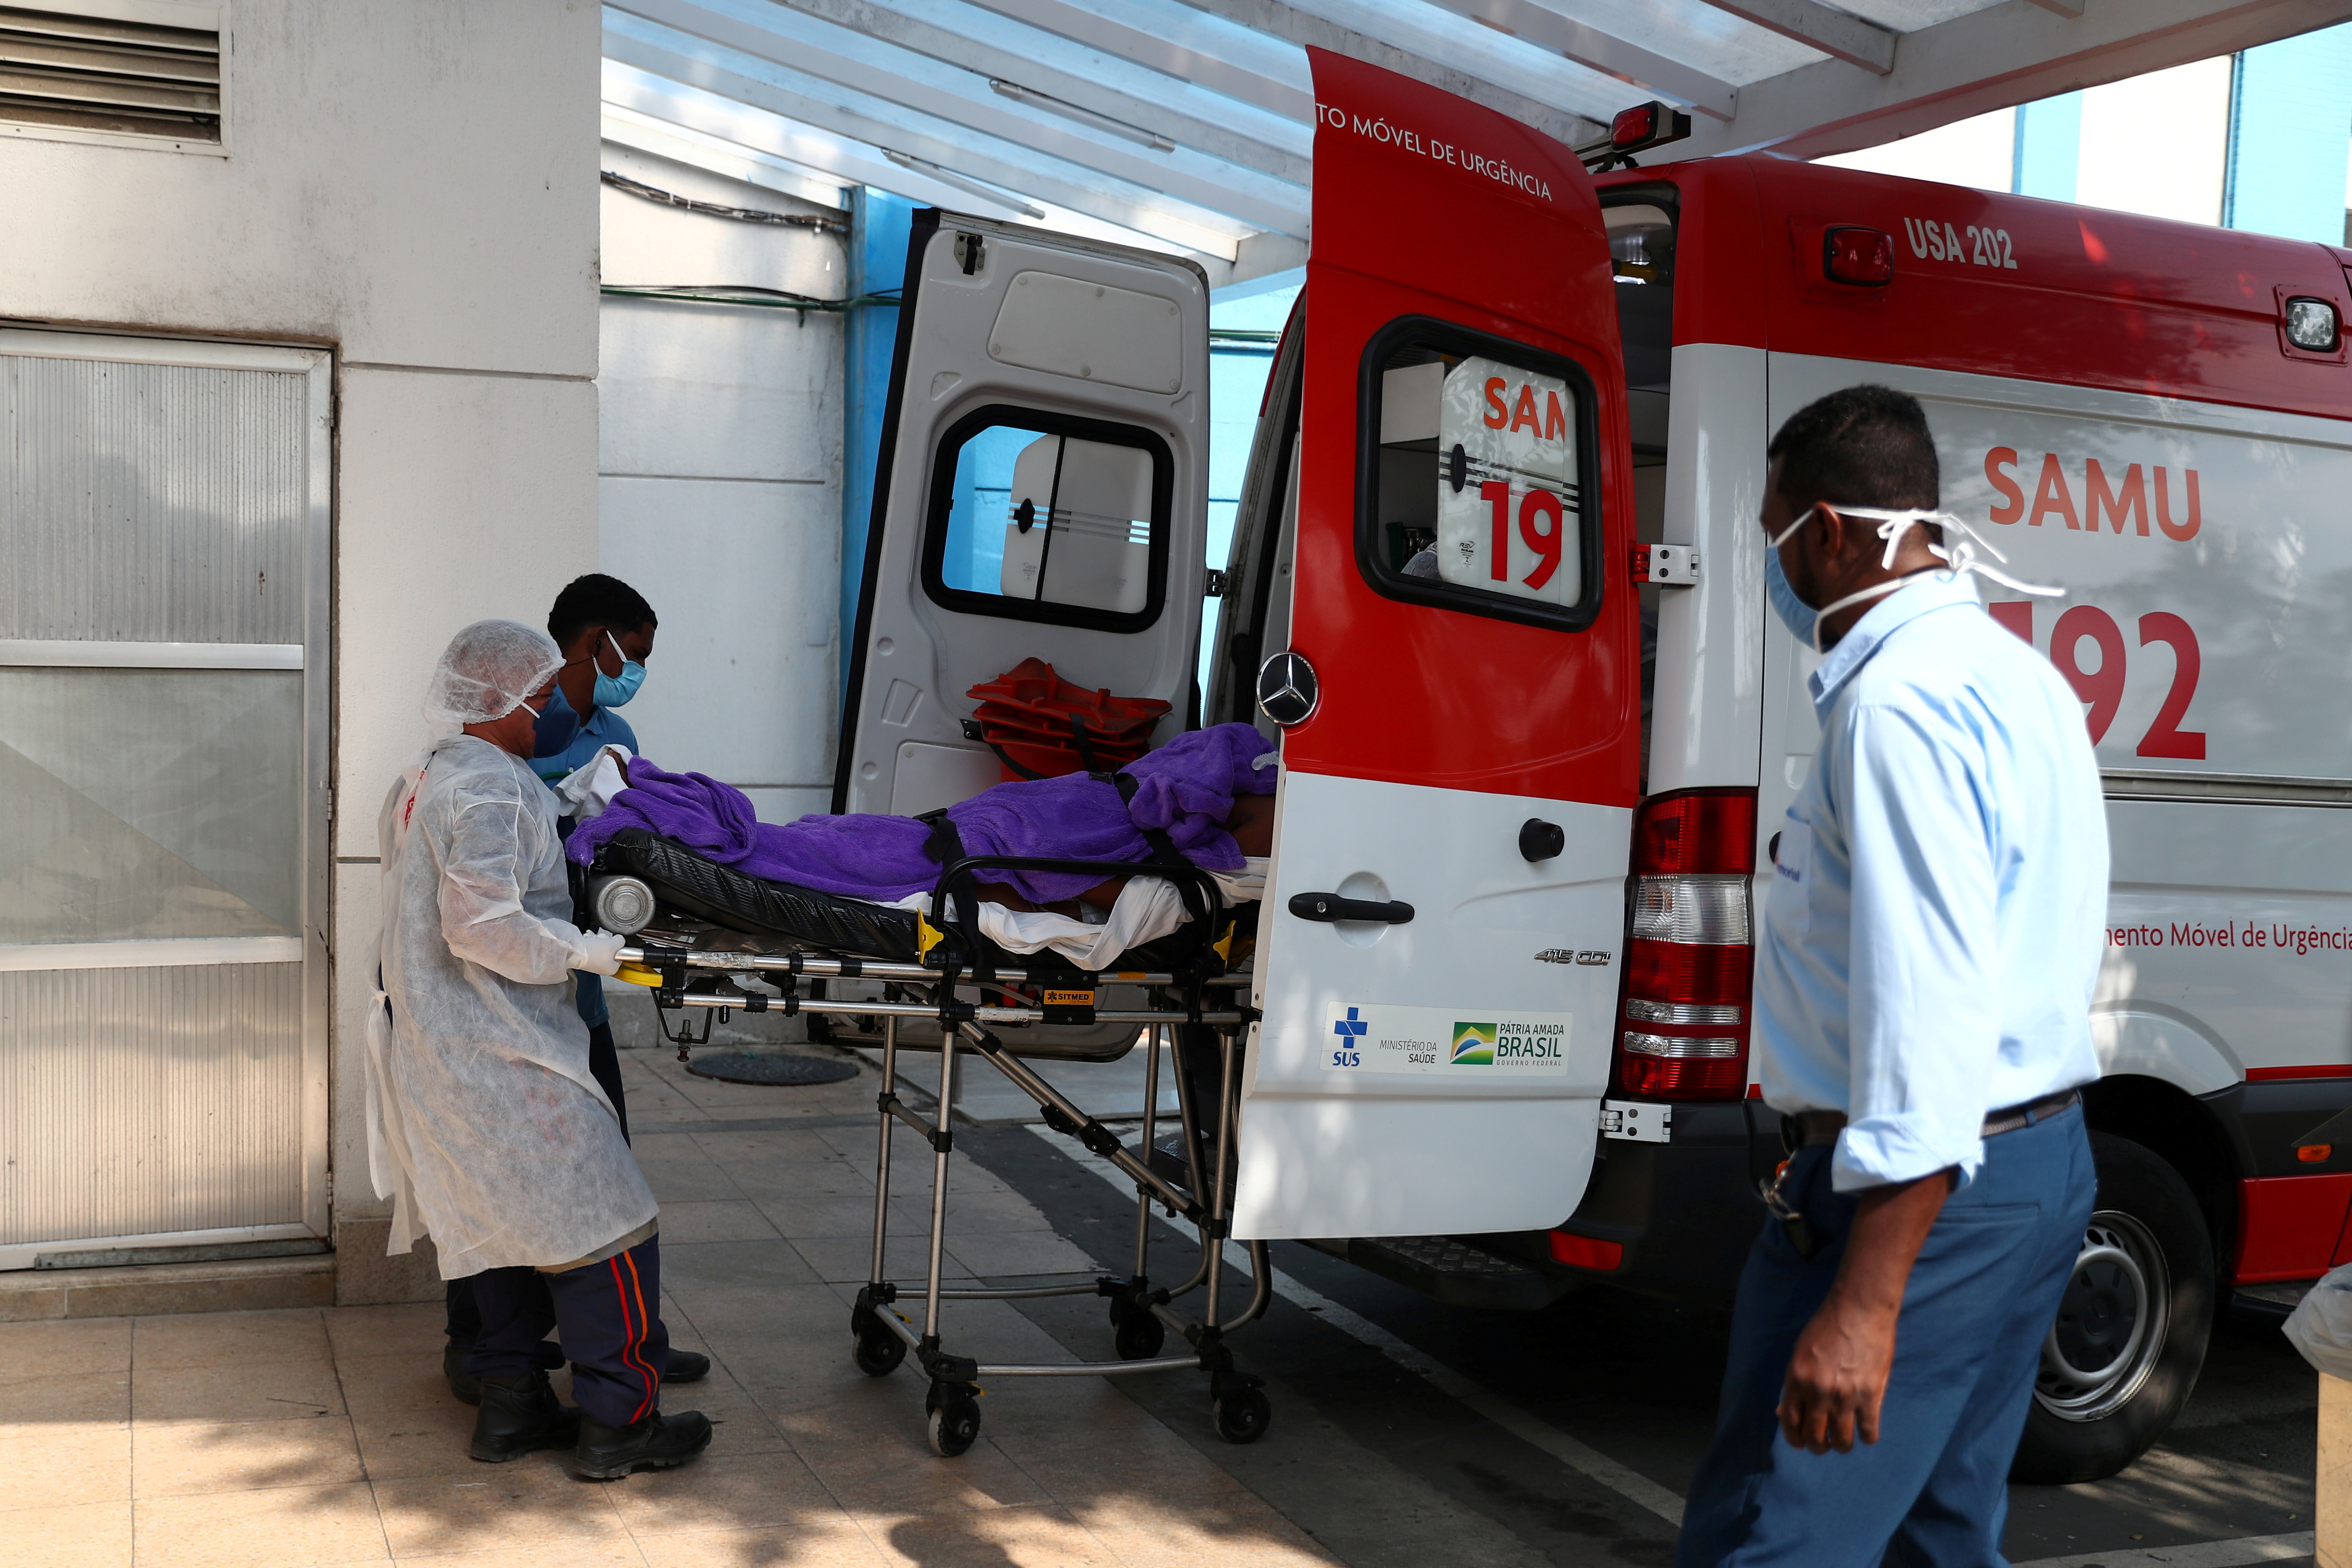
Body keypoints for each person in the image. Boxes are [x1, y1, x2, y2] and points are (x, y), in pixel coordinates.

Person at [1675, 387, 2105, 1567]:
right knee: (1935, 1534)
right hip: (2030, 1164)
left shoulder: (1898, 708)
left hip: (1922, 1193)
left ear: (1824, 531)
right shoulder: (2018, 677)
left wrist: (1866, 1304)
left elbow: (1931, 1011)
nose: (1771, 566)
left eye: (1773, 534)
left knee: (1779, 1539)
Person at [370, 619, 711, 1478]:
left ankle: (512, 1411)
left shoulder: (428, 777)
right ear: (501, 700)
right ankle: (619, 1424)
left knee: (498, 1225)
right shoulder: (490, 791)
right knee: (610, 1226)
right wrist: (582, 950)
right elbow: (479, 922)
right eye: (542, 692)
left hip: (444, 1052)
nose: (556, 703)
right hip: (505, 1050)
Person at [439, 574, 711, 1402]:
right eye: (637, 654)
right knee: (498, 1177)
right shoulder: (497, 743)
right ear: (596, 642)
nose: (639, 672)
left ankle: (605, 1353)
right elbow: (483, 904)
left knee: (598, 1179)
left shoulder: (613, 731)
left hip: (576, 983)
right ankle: (490, 1355)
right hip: (501, 1002)